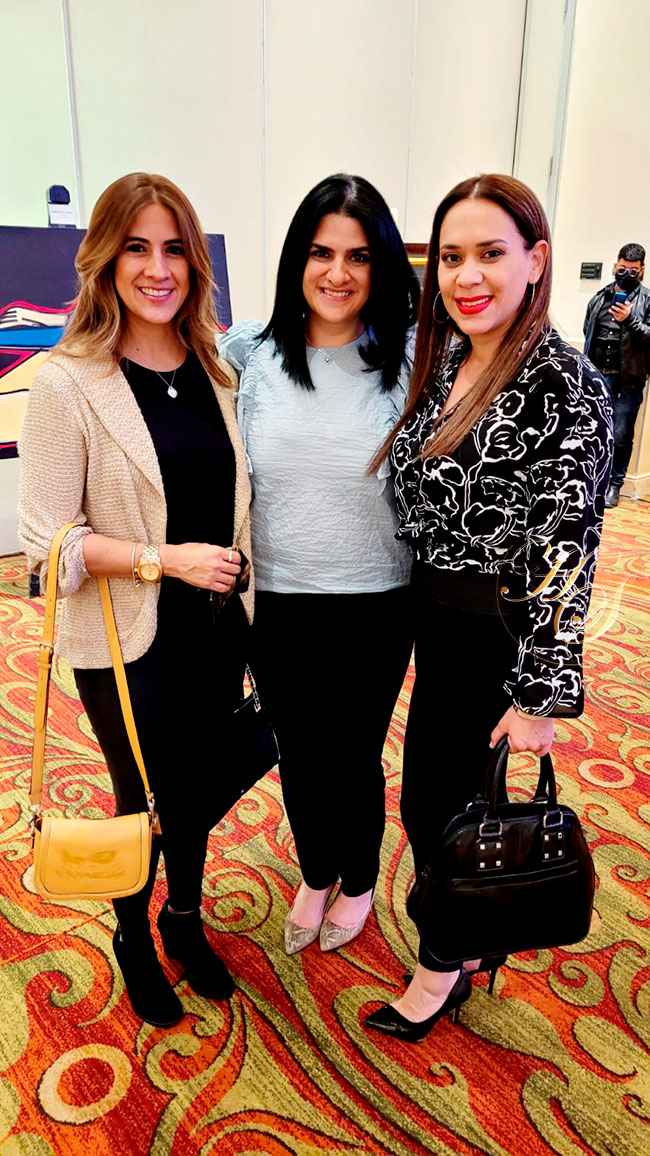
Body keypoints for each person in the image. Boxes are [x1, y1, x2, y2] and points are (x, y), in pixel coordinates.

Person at [364, 174, 613, 1041]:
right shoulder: (451, 359)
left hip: (496, 631)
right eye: (452, 257)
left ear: (536, 260)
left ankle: (440, 971)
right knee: (445, 801)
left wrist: (540, 696)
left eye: (491, 254)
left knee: (438, 809)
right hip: (434, 619)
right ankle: (468, 946)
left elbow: (567, 550)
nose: (466, 276)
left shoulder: (565, 383)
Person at [19, 172, 253, 1028]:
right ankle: (131, 936)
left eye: (174, 250)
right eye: (137, 248)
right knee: (144, 800)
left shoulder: (217, 370)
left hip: (219, 629)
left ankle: (183, 919)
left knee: (192, 793)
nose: (159, 269)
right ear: (105, 260)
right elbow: (48, 546)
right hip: (128, 641)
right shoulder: (68, 381)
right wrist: (165, 561)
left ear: (195, 263)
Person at [219, 174, 420, 955]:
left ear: (381, 266)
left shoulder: (411, 359)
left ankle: (360, 879)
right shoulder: (252, 354)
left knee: (354, 755)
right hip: (279, 600)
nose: (338, 273)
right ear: (296, 260)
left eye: (358, 256)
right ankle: (314, 871)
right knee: (299, 754)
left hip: (379, 600)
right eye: (320, 252)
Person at [583, 242, 650, 507]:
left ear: (642, 270)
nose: (626, 274)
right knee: (592, 431)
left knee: (621, 436)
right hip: (595, 378)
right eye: (622, 269)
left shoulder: (647, 300)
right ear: (615, 266)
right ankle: (592, 480)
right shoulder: (600, 297)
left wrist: (630, 320)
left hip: (627, 380)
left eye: (633, 271)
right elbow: (588, 330)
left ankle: (614, 484)